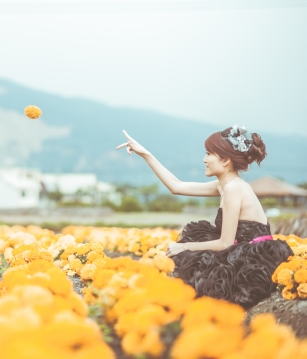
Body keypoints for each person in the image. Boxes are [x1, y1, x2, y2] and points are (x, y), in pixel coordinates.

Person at [116, 126, 292, 307]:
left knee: (193, 264)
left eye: (209, 154)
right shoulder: (224, 185)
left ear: (225, 160)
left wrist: (184, 247)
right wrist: (145, 154)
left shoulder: (234, 188)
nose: (204, 159)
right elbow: (177, 187)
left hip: (254, 258)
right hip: (239, 249)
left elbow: (225, 243)